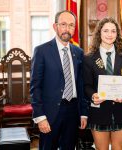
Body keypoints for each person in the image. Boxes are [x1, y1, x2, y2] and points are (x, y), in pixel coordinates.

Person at [30, 10, 88, 150]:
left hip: (73, 111)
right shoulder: (41, 51)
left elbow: (81, 85)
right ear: (55, 26)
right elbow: (35, 87)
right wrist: (40, 116)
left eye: (71, 25)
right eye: (63, 24)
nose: (67, 29)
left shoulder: (78, 52)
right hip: (50, 112)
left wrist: (84, 112)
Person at [83, 17, 122, 150]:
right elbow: (86, 86)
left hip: (121, 111)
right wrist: (93, 95)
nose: (109, 34)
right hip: (99, 112)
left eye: (113, 31)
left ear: (117, 34)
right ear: (99, 33)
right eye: (106, 30)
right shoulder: (89, 58)